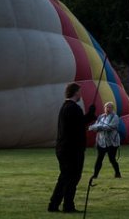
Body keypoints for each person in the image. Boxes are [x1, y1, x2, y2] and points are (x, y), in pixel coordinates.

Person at [48, 82, 87, 213]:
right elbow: (79, 126)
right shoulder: (73, 108)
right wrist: (90, 115)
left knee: (65, 177)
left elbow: (77, 124)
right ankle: (68, 205)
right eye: (80, 92)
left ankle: (54, 204)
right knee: (72, 177)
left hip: (64, 148)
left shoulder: (66, 107)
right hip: (72, 150)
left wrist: (89, 116)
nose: (81, 94)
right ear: (76, 92)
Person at [90, 101, 123, 180]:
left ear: (112, 109)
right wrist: (93, 128)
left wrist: (98, 127)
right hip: (101, 142)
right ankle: (95, 175)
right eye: (106, 107)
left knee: (112, 159)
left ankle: (117, 173)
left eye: (110, 107)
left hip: (112, 142)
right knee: (99, 159)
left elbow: (110, 127)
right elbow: (94, 126)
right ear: (104, 108)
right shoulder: (101, 117)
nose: (108, 109)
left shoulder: (115, 117)